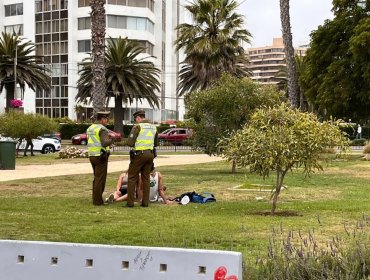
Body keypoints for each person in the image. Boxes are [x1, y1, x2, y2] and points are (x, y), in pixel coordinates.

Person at [125, 110, 158, 207]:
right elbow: (155, 143)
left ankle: (130, 203)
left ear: (138, 118)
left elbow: (129, 143)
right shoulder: (153, 127)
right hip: (150, 154)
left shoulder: (137, 127)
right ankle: (145, 203)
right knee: (146, 178)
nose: (136, 121)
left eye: (136, 119)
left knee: (131, 178)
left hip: (139, 155)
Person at [87, 111, 114, 206]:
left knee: (96, 178)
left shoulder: (90, 128)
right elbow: (104, 143)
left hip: (92, 155)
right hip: (100, 156)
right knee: (100, 179)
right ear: (102, 119)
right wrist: (112, 138)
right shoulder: (102, 129)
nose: (108, 121)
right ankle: (98, 201)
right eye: (106, 119)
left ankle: (95, 198)